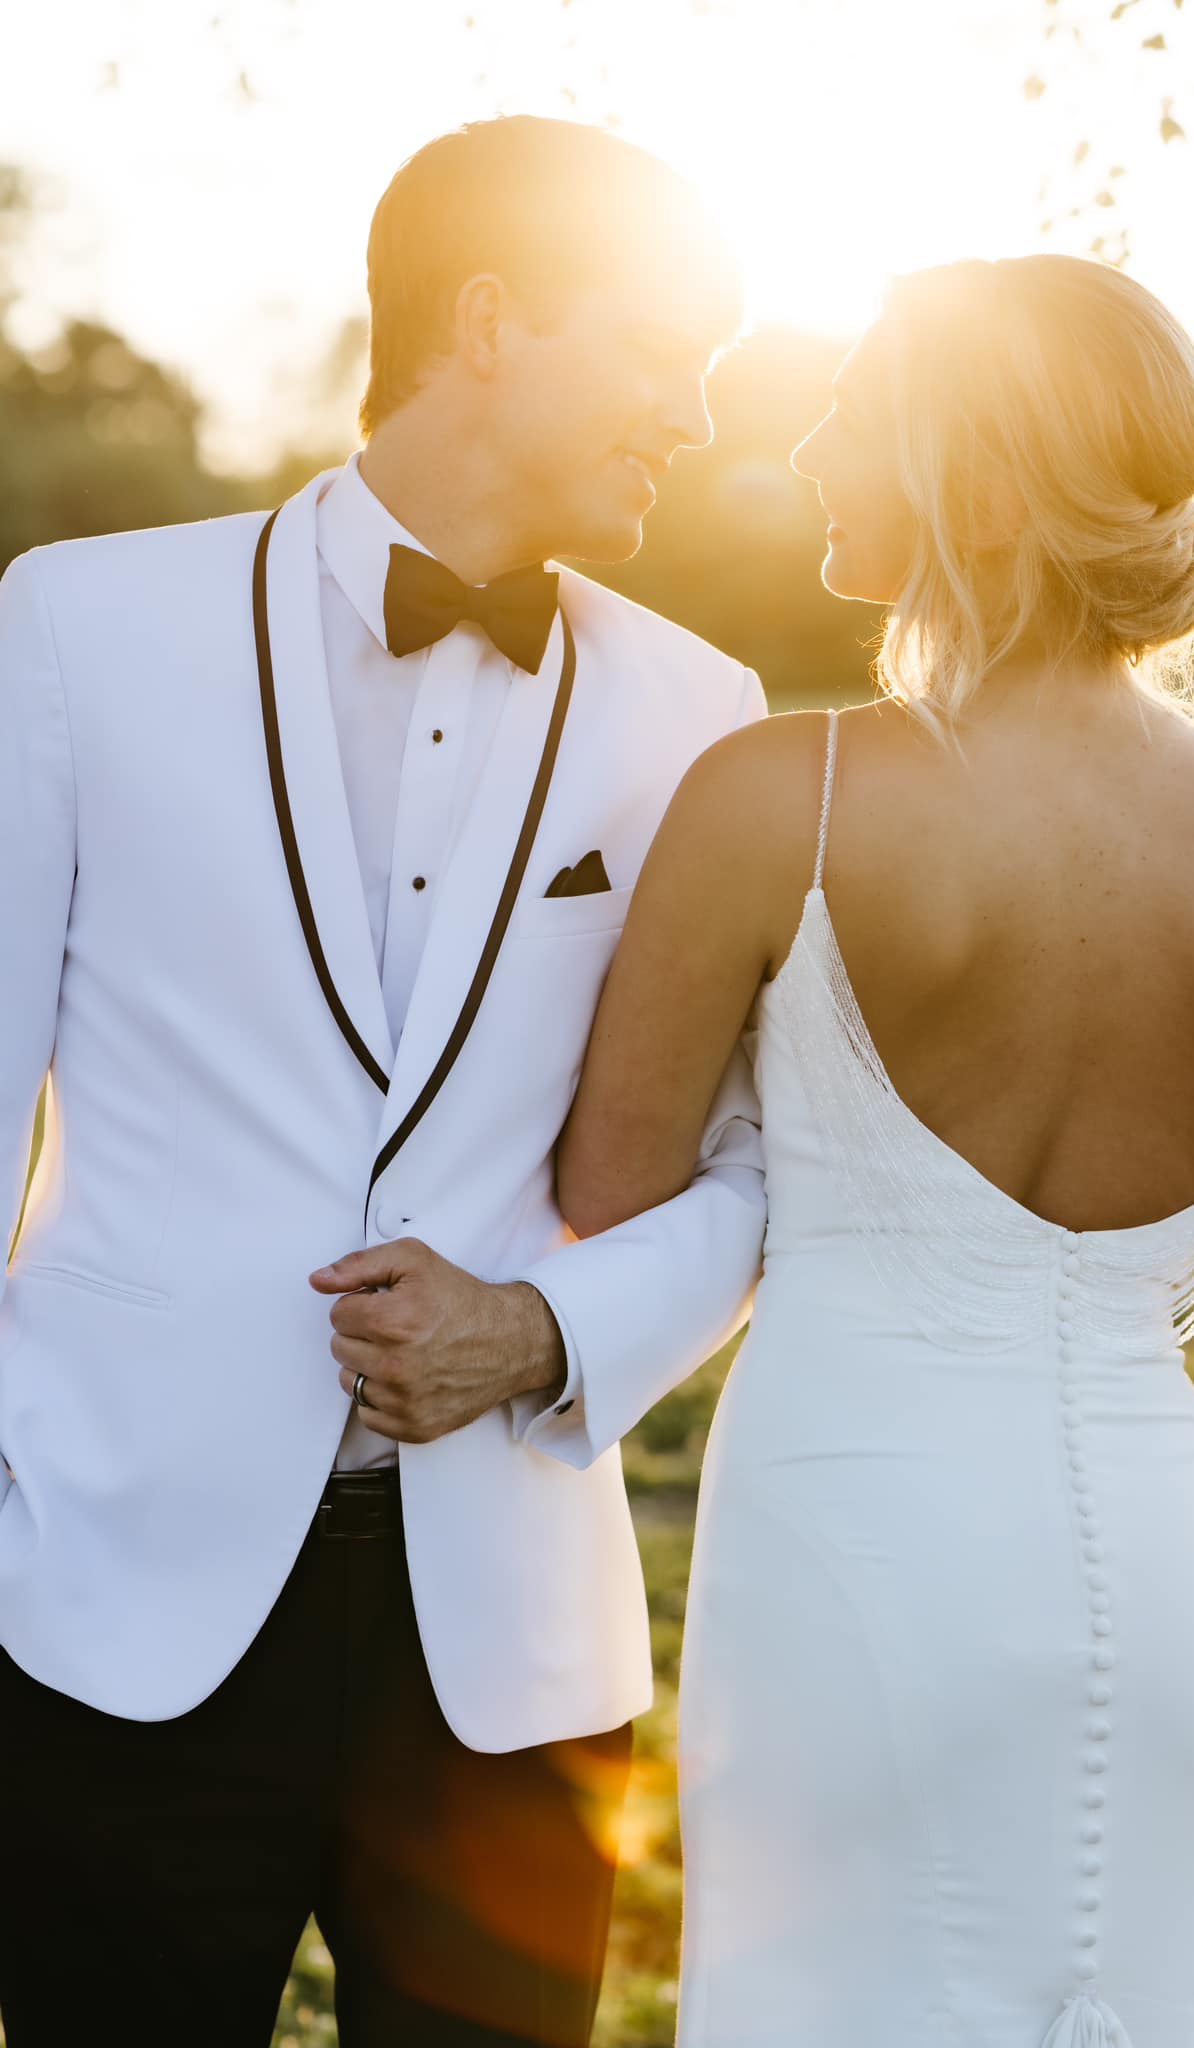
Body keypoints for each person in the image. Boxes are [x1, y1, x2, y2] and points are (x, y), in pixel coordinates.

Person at [0, 117, 769, 2048]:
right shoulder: (79, 626)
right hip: (110, 1601)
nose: (694, 415)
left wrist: (539, 1328)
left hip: (506, 1650)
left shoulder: (708, 718)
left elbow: (756, 1170)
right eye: (666, 346)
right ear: (491, 320)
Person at [556, 255, 1194, 2046]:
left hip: (852, 1557)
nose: (818, 445)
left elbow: (603, 1197)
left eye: (860, 413)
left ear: (980, 489)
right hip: (1168, 1585)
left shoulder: (788, 795)